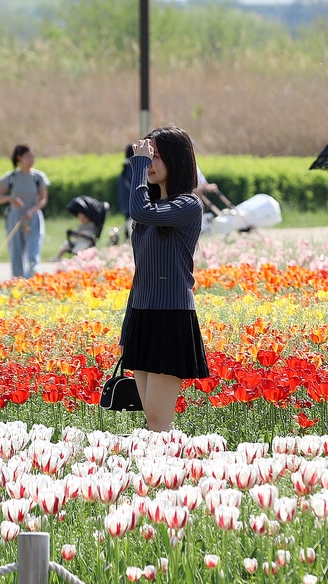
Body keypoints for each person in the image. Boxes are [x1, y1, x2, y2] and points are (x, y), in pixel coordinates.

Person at [119, 125, 210, 432]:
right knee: (151, 419)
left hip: (170, 317)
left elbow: (139, 210)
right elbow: (141, 273)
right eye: (148, 156)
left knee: (159, 419)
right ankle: (161, 461)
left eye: (155, 156)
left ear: (176, 159)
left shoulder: (188, 205)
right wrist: (128, 327)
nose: (149, 163)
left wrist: (138, 164)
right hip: (142, 314)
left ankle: (175, 461)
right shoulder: (152, 209)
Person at [0, 144, 50, 278]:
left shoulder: (38, 177)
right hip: (15, 218)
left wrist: (32, 211)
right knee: (16, 254)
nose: (31, 160)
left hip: (33, 219)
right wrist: (10, 199)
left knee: (33, 254)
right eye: (28, 157)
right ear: (19, 158)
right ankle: (17, 283)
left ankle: (33, 281)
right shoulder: (11, 177)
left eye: (33, 156)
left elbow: (43, 200)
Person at [52, 195, 109, 261]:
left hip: (85, 242)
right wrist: (73, 233)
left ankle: (75, 260)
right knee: (66, 244)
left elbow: (90, 235)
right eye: (79, 217)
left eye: (83, 218)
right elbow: (78, 232)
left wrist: (81, 234)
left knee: (79, 248)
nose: (81, 219)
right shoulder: (82, 225)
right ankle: (58, 257)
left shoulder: (92, 226)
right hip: (79, 240)